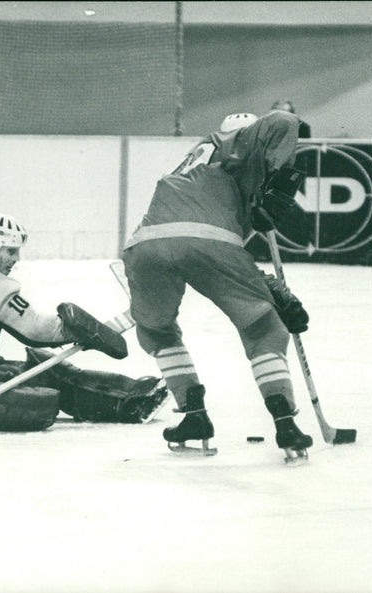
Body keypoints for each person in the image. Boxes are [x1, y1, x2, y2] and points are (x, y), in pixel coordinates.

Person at [121, 110, 313, 460]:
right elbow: (283, 122)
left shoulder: (194, 166)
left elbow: (211, 249)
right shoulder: (237, 141)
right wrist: (283, 179)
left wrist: (272, 288)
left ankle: (194, 417)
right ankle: (285, 422)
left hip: (145, 244)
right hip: (208, 241)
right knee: (263, 329)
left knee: (158, 330)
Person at [0, 211, 168, 433]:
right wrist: (75, 329)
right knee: (42, 377)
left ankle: (130, 393)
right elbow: (33, 329)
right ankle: (129, 402)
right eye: (10, 251)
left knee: (45, 369)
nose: (16, 258)